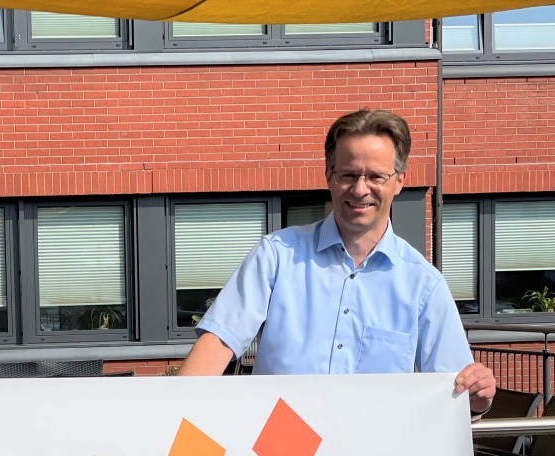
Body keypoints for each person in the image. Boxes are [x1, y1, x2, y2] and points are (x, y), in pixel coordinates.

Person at [177, 108, 496, 415]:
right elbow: (218, 343)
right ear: (329, 175)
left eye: (375, 176)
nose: (360, 189)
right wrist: (170, 415)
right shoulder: (277, 256)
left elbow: (458, 393)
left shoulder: (424, 285)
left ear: (399, 181)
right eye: (348, 175)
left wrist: (478, 398)